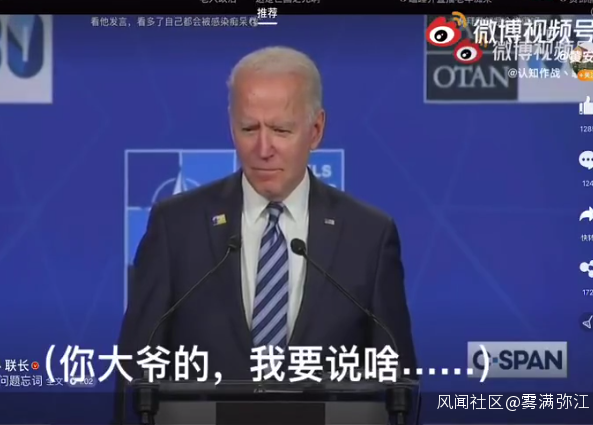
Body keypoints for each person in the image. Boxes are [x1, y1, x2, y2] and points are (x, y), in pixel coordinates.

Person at [114, 46, 417, 420]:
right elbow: (135, 370)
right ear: (231, 127)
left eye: (281, 130)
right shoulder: (176, 225)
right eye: (248, 129)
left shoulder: (368, 235)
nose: (263, 149)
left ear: (316, 130)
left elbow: (398, 385)